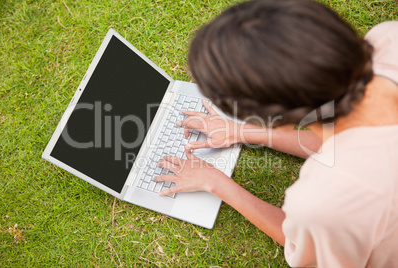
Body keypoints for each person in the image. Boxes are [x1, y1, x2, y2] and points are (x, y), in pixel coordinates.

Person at [154, 0, 398, 266]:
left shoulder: (322, 204)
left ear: (273, 119)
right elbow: (345, 140)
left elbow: (302, 247)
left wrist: (215, 181)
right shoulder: (388, 39)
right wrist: (242, 131)